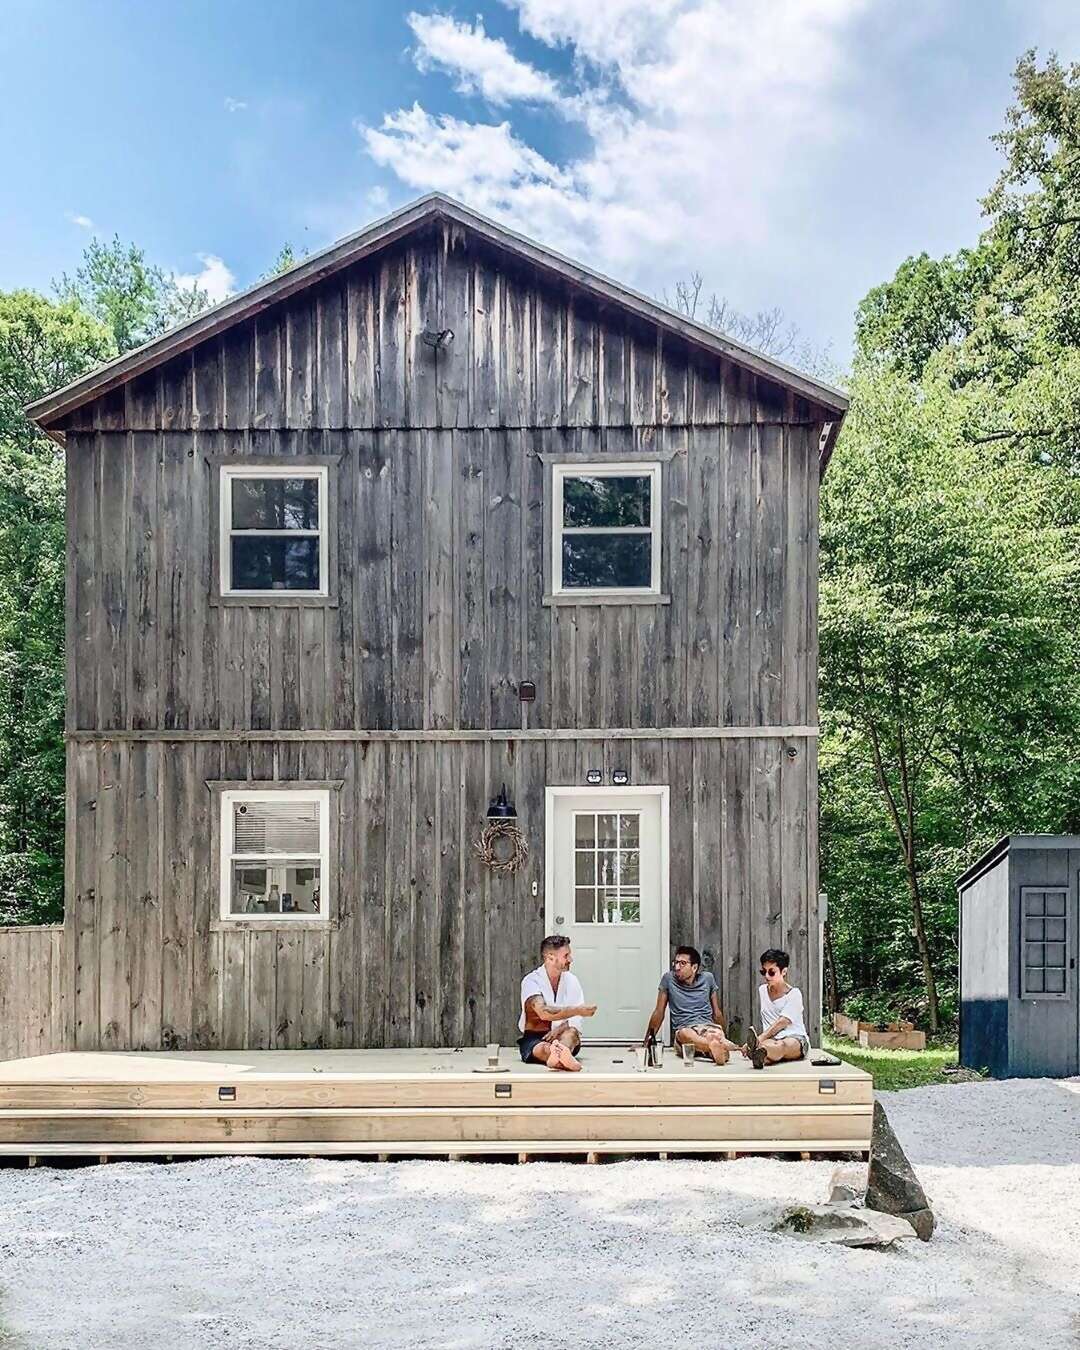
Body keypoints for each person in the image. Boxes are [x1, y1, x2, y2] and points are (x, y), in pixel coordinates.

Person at [643, 946, 740, 1065]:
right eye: (676, 963)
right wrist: (646, 1043)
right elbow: (659, 1013)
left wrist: (722, 1033)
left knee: (715, 1035)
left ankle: (717, 1050)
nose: (677, 967)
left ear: (694, 967)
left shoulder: (708, 978)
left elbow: (717, 1013)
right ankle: (714, 1047)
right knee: (685, 1033)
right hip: (686, 1031)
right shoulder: (668, 979)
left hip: (707, 1027)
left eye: (682, 963)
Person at [518, 934, 597, 1071]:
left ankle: (559, 1055)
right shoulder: (531, 981)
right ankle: (560, 1057)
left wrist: (560, 1028)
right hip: (536, 1037)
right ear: (550, 958)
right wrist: (577, 1010)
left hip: (564, 1035)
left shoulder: (572, 980)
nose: (570, 959)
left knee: (571, 1034)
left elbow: (576, 1021)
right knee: (543, 1048)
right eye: (566, 956)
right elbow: (543, 1012)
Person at [743, 948, 810, 1069]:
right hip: (771, 1039)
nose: (767, 976)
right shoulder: (762, 990)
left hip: (795, 1038)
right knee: (765, 1047)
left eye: (771, 972)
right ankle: (759, 1054)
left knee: (782, 1045)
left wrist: (759, 1038)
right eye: (764, 972)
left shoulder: (794, 994)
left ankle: (758, 1053)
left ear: (784, 971)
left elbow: (782, 1022)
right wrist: (759, 1041)